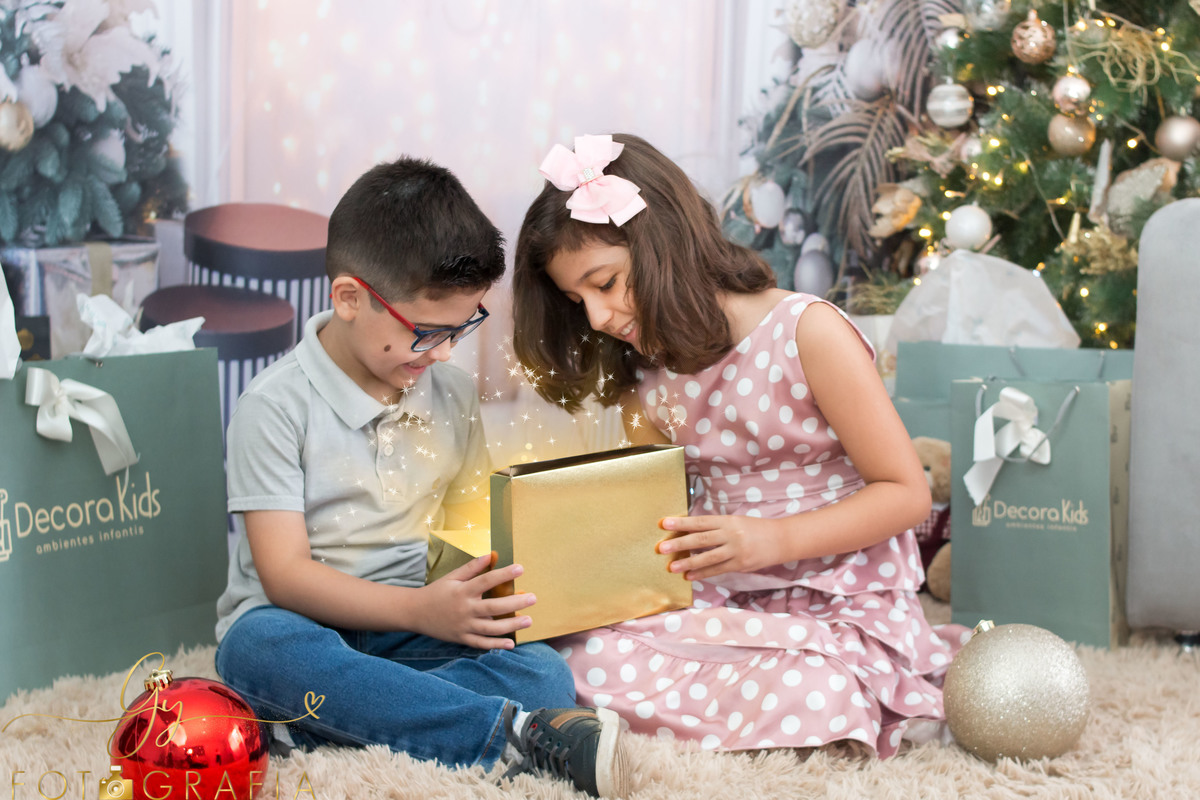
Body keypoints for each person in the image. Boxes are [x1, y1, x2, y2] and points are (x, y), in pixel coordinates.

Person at [511, 133, 968, 757]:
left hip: (839, 598)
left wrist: (772, 540)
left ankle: (812, 701)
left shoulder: (808, 331)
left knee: (819, 684)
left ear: (662, 243)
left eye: (607, 283)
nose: (595, 317)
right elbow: (652, 527)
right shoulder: (642, 377)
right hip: (721, 598)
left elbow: (907, 494)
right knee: (570, 655)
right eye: (576, 300)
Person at [214, 156, 629, 799]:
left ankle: (334, 717)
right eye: (428, 332)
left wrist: (508, 582)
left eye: (463, 327)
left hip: (415, 627)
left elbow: (465, 532)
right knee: (255, 651)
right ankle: (511, 738)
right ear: (350, 298)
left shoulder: (452, 393)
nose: (443, 352)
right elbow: (284, 575)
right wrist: (422, 611)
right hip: (302, 623)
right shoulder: (273, 407)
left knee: (544, 674)